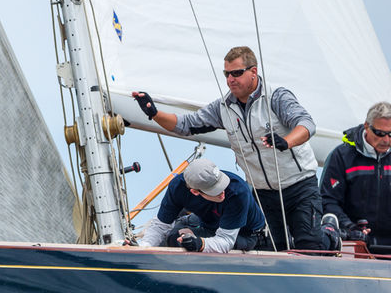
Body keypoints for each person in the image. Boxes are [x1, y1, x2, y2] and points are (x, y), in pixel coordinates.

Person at [132, 46, 325, 251]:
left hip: (299, 186)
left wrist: (286, 141)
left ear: (253, 71)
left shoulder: (276, 97)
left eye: (237, 73)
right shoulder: (223, 107)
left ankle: (330, 234)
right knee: (275, 249)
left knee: (309, 245)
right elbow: (186, 124)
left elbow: (306, 124)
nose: (230, 79)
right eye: (227, 74)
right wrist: (154, 114)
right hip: (263, 193)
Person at [131, 157, 267, 252]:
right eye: (215, 190)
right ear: (195, 192)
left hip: (244, 234)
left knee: (182, 242)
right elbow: (161, 225)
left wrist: (199, 243)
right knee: (174, 235)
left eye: (221, 185)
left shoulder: (237, 192)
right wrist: (143, 247)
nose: (222, 193)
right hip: (208, 223)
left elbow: (225, 240)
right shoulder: (177, 188)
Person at [319, 101, 391, 254]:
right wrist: (350, 227)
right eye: (380, 133)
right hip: (353, 245)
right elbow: (328, 200)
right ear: (366, 126)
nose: (386, 140)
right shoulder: (341, 156)